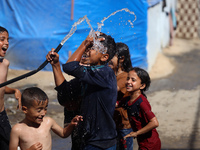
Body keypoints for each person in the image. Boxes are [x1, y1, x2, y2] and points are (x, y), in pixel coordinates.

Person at [46, 31, 118, 150]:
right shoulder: (90, 77)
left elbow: (70, 67)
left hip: (100, 143)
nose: (87, 50)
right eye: (88, 47)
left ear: (105, 57)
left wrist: (84, 44)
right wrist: (55, 65)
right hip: (84, 139)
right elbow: (64, 94)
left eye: (92, 47)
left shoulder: (105, 74)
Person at [9, 87, 83, 150]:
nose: (43, 113)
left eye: (45, 109)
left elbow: (63, 134)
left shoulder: (48, 122)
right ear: (25, 109)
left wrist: (71, 124)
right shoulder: (17, 130)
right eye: (39, 110)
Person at [122, 67, 161, 150]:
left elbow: (154, 123)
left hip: (150, 144)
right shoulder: (128, 99)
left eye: (133, 80)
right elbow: (116, 104)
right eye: (128, 78)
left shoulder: (142, 103)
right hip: (143, 142)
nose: (129, 81)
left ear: (142, 85)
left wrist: (136, 133)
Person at [108, 42, 133, 150]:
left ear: (121, 59)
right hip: (113, 122)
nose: (108, 57)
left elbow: (112, 89)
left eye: (112, 55)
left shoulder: (125, 76)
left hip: (123, 125)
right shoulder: (113, 74)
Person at [0, 26, 21, 149]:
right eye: (2, 39)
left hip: (1, 116)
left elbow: (2, 87)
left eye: (8, 40)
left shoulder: (5, 64)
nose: (6, 43)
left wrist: (14, 90)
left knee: (9, 145)